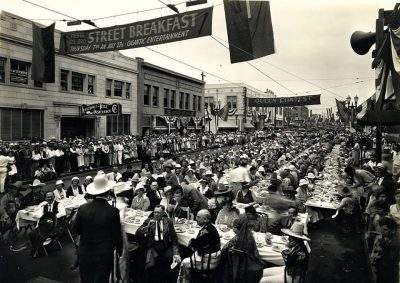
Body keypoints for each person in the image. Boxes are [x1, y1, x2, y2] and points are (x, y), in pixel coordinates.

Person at [73, 174, 123, 283]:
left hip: (85, 252)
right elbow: (116, 235)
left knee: (86, 279)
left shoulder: (82, 208)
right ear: (108, 192)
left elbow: (76, 230)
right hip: (103, 253)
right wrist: (120, 251)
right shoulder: (113, 211)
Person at [136, 205, 181, 283]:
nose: (156, 214)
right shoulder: (148, 221)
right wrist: (147, 227)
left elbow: (174, 238)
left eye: (158, 213)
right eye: (155, 212)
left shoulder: (168, 221)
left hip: (165, 246)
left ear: (163, 213)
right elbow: (138, 233)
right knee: (151, 267)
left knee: (174, 264)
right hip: (153, 246)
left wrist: (176, 253)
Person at [178, 209, 221, 283]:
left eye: (198, 217)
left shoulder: (206, 231)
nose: (196, 219)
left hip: (208, 261)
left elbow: (195, 244)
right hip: (212, 256)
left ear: (205, 219)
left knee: (184, 262)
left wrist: (191, 242)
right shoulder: (210, 227)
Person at [220, 218, 264, 283]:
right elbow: (255, 253)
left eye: (233, 227)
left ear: (237, 228)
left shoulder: (237, 238)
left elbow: (224, 249)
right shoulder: (250, 236)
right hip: (250, 262)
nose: (232, 229)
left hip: (238, 263)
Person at [28, 191, 66, 258]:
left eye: (51, 196)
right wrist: (41, 215)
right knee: (31, 234)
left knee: (40, 234)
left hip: (55, 226)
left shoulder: (59, 204)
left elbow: (63, 213)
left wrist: (52, 217)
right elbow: (35, 215)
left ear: (54, 197)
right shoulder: (44, 206)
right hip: (45, 226)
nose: (50, 198)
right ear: (45, 198)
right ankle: (37, 249)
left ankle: (35, 251)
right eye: (48, 197)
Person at [370, 217, 399, 283]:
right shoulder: (379, 238)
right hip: (379, 267)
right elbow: (374, 253)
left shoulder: (395, 241)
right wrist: (373, 261)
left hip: (390, 269)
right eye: (381, 229)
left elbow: (393, 257)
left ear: (391, 230)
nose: (382, 232)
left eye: (385, 229)